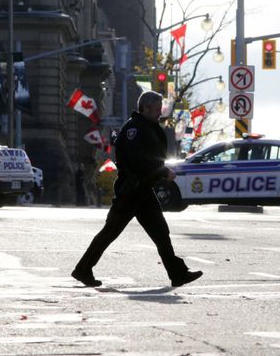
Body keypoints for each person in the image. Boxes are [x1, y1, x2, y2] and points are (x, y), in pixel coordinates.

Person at [71, 91, 203, 288]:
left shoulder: (147, 127)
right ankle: (83, 269)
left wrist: (158, 172)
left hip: (142, 191)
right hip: (131, 192)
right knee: (110, 232)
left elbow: (150, 157)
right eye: (157, 109)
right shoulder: (135, 129)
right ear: (146, 108)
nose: (159, 113)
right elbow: (138, 160)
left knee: (160, 233)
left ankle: (177, 274)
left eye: (160, 109)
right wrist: (163, 172)